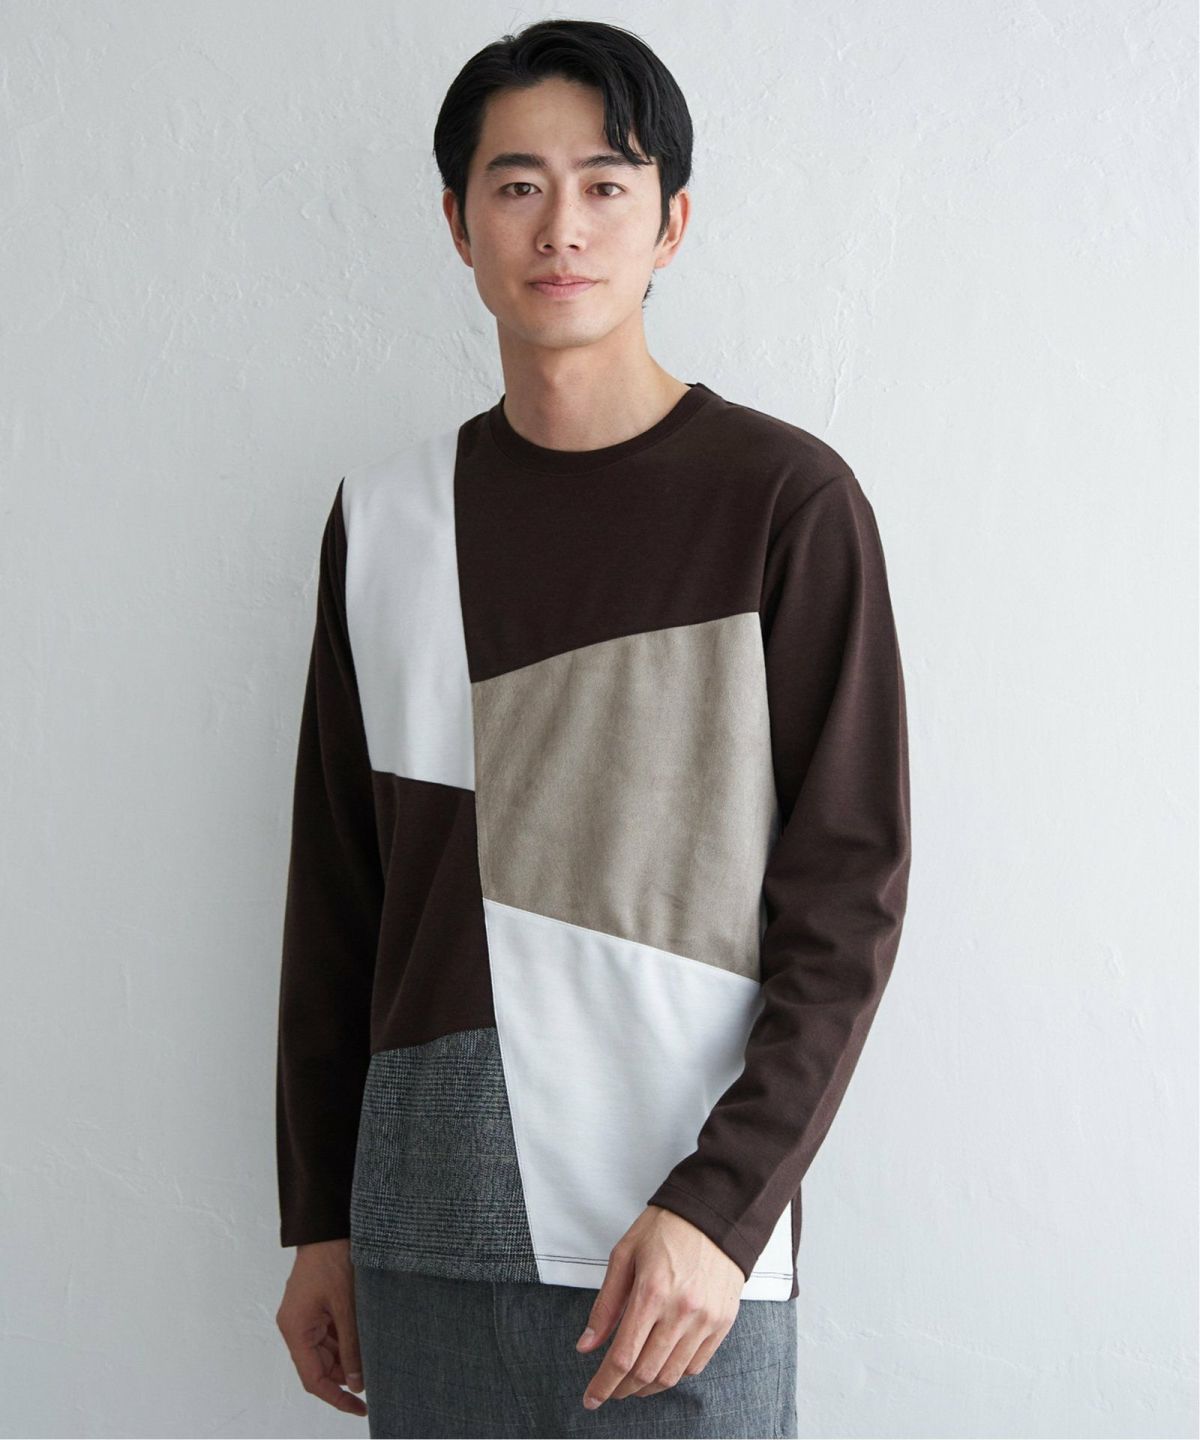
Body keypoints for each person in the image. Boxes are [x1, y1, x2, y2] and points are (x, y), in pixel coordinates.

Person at [273, 17, 911, 1439]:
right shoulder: (384, 521)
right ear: (458, 223)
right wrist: (320, 1214)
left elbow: (846, 896)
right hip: (425, 1231)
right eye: (516, 185)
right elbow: (339, 894)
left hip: (681, 1255)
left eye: (606, 184)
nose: (560, 227)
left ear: (670, 221)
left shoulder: (785, 503)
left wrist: (724, 1207)